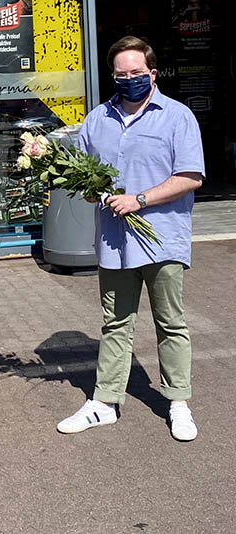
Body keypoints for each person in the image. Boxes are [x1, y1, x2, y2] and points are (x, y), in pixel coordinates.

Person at [56, 36, 204, 441]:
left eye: (136, 73)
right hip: (115, 241)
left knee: (170, 323)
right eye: (121, 75)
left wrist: (138, 200)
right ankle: (105, 402)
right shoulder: (97, 119)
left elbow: (191, 176)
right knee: (115, 323)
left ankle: (178, 403)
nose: (129, 80)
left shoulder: (177, 117)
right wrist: (92, 189)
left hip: (162, 238)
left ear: (152, 73)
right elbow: (83, 177)